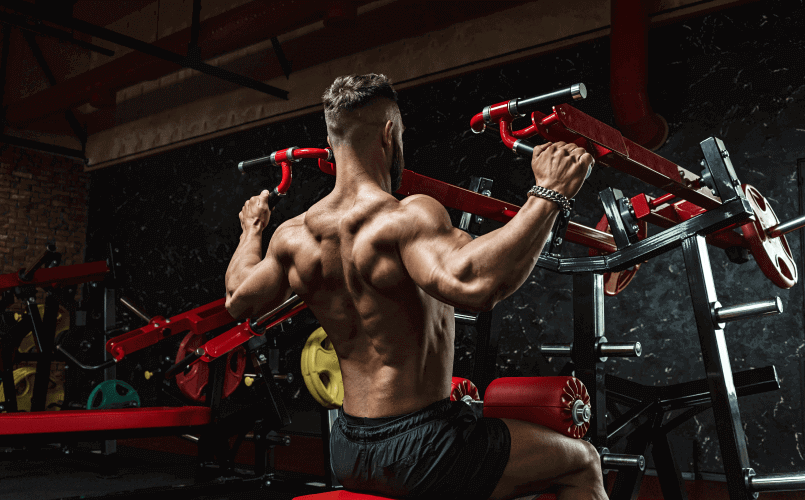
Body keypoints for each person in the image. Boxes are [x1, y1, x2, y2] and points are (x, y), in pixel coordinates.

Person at [225, 74, 606, 500]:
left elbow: (238, 299)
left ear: (331, 143)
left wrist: (251, 229)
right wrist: (549, 192)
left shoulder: (293, 237)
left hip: (347, 448)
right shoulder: (405, 217)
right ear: (389, 133)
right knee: (583, 462)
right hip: (423, 449)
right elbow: (475, 284)